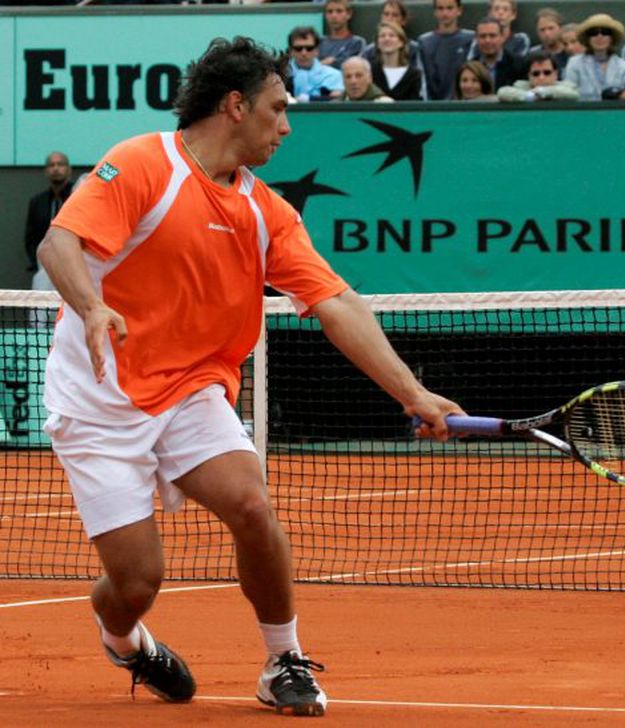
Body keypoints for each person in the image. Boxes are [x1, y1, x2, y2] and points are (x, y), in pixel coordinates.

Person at [36, 36, 463, 717]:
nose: (287, 126)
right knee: (139, 581)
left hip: (191, 389)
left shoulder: (267, 211)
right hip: (99, 396)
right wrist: (91, 307)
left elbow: (337, 303)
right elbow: (57, 242)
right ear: (236, 106)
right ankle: (123, 639)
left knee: (253, 506)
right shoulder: (143, 164)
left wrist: (411, 393)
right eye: (277, 108)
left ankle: (281, 660)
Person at [25, 150, 72, 291]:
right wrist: (38, 262)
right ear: (46, 171)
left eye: (60, 164)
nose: (56, 168)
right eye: (51, 165)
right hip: (44, 270)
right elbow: (30, 237)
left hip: (73, 269)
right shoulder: (37, 202)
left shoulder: (78, 196)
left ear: (69, 170)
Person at [563, 13, 625, 101]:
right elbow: (568, 95)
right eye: (594, 33)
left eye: (605, 32)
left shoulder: (623, 66)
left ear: (612, 38)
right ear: (588, 38)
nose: (600, 36)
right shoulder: (574, 64)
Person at [418, 0, 474, 100]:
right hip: (433, 106)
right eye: (440, 8)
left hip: (463, 105)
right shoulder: (424, 42)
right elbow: (422, 79)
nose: (445, 13)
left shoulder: (470, 39)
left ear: (459, 10)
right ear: (435, 12)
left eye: (449, 8)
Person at [362, 0, 424, 75]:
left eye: (395, 15)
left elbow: (419, 77)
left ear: (403, 20)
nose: (389, 19)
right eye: (386, 14)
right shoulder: (369, 51)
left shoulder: (414, 49)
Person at [369, 21, 424, 100]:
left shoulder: (414, 74)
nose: (386, 39)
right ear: (377, 43)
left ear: (401, 42)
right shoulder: (369, 71)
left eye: (391, 36)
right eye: (382, 36)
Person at [469, 16, 527, 91]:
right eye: (483, 36)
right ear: (476, 39)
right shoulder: (471, 68)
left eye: (492, 36)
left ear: (502, 37)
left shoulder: (519, 65)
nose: (487, 41)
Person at [286, 26, 343, 101]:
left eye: (309, 48)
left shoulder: (334, 75)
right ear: (291, 51)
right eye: (298, 48)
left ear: (317, 50)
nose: (304, 53)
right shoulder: (280, 76)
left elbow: (338, 102)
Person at [497, 50, 579, 102]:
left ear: (555, 74)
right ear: (529, 75)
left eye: (547, 73)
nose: (541, 77)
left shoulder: (566, 86)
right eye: (536, 73)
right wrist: (530, 96)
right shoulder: (521, 86)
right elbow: (502, 92)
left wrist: (543, 92)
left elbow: (574, 94)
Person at [318, 0, 366, 70]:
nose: (334, 16)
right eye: (330, 12)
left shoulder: (357, 42)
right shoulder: (319, 42)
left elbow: (352, 67)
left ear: (349, 14)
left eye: (339, 11)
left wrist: (332, 62)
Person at [529, 7, 569, 74]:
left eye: (551, 28)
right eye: (542, 30)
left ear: (560, 28)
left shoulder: (570, 53)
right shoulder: (532, 54)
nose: (547, 34)